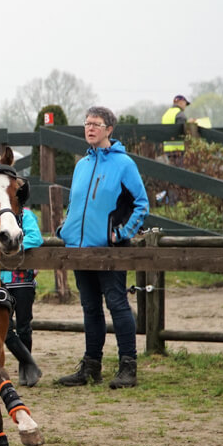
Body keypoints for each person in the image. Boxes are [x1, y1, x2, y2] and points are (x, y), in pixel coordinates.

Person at [56, 107, 149, 389]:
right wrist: (66, 227)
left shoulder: (124, 164)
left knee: (118, 304)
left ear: (109, 129)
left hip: (110, 251)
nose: (89, 128)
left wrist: (120, 234)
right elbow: (76, 204)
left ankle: (128, 367)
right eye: (86, 124)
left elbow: (141, 204)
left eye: (95, 124)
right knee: (90, 308)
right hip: (81, 249)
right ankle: (91, 366)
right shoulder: (81, 165)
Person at [1, 207, 43, 387]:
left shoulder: (25, 215)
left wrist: (12, 247)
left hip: (22, 281)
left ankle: (26, 371)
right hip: (0, 281)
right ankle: (29, 363)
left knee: (24, 326)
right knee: (4, 329)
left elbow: (36, 237)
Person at [160, 94, 189, 160]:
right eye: (185, 103)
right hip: (178, 149)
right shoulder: (180, 114)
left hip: (167, 148)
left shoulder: (166, 113)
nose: (185, 106)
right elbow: (182, 131)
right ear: (181, 102)